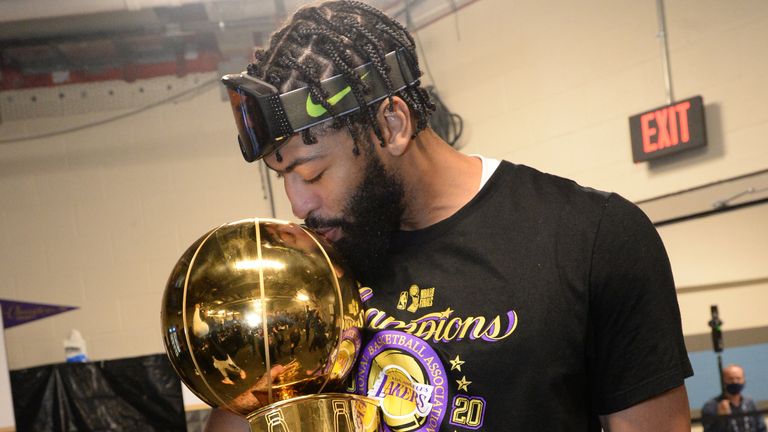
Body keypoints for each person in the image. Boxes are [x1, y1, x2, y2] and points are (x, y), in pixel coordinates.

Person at [208, 1, 694, 430]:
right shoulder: (303, 277)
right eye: (282, 177)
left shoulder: (591, 236)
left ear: (391, 125)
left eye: (312, 173)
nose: (298, 205)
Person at [702, 364, 767, 432]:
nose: (735, 381)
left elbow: (762, 428)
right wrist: (721, 419)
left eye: (738, 378)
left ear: (744, 381)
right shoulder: (711, 407)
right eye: (731, 379)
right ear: (723, 381)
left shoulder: (750, 403)